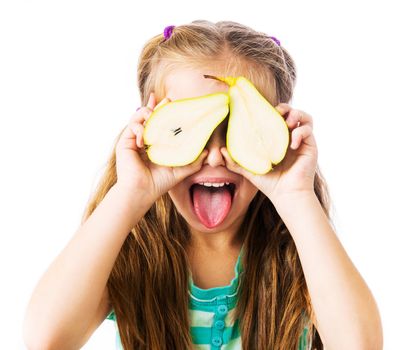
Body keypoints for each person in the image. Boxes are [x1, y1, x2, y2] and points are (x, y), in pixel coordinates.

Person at [23, 20, 383, 350]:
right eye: (187, 130)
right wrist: (130, 192)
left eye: (238, 128)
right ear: (148, 130)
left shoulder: (299, 248)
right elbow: (46, 340)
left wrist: (296, 197)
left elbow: (360, 345)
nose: (213, 157)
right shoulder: (131, 248)